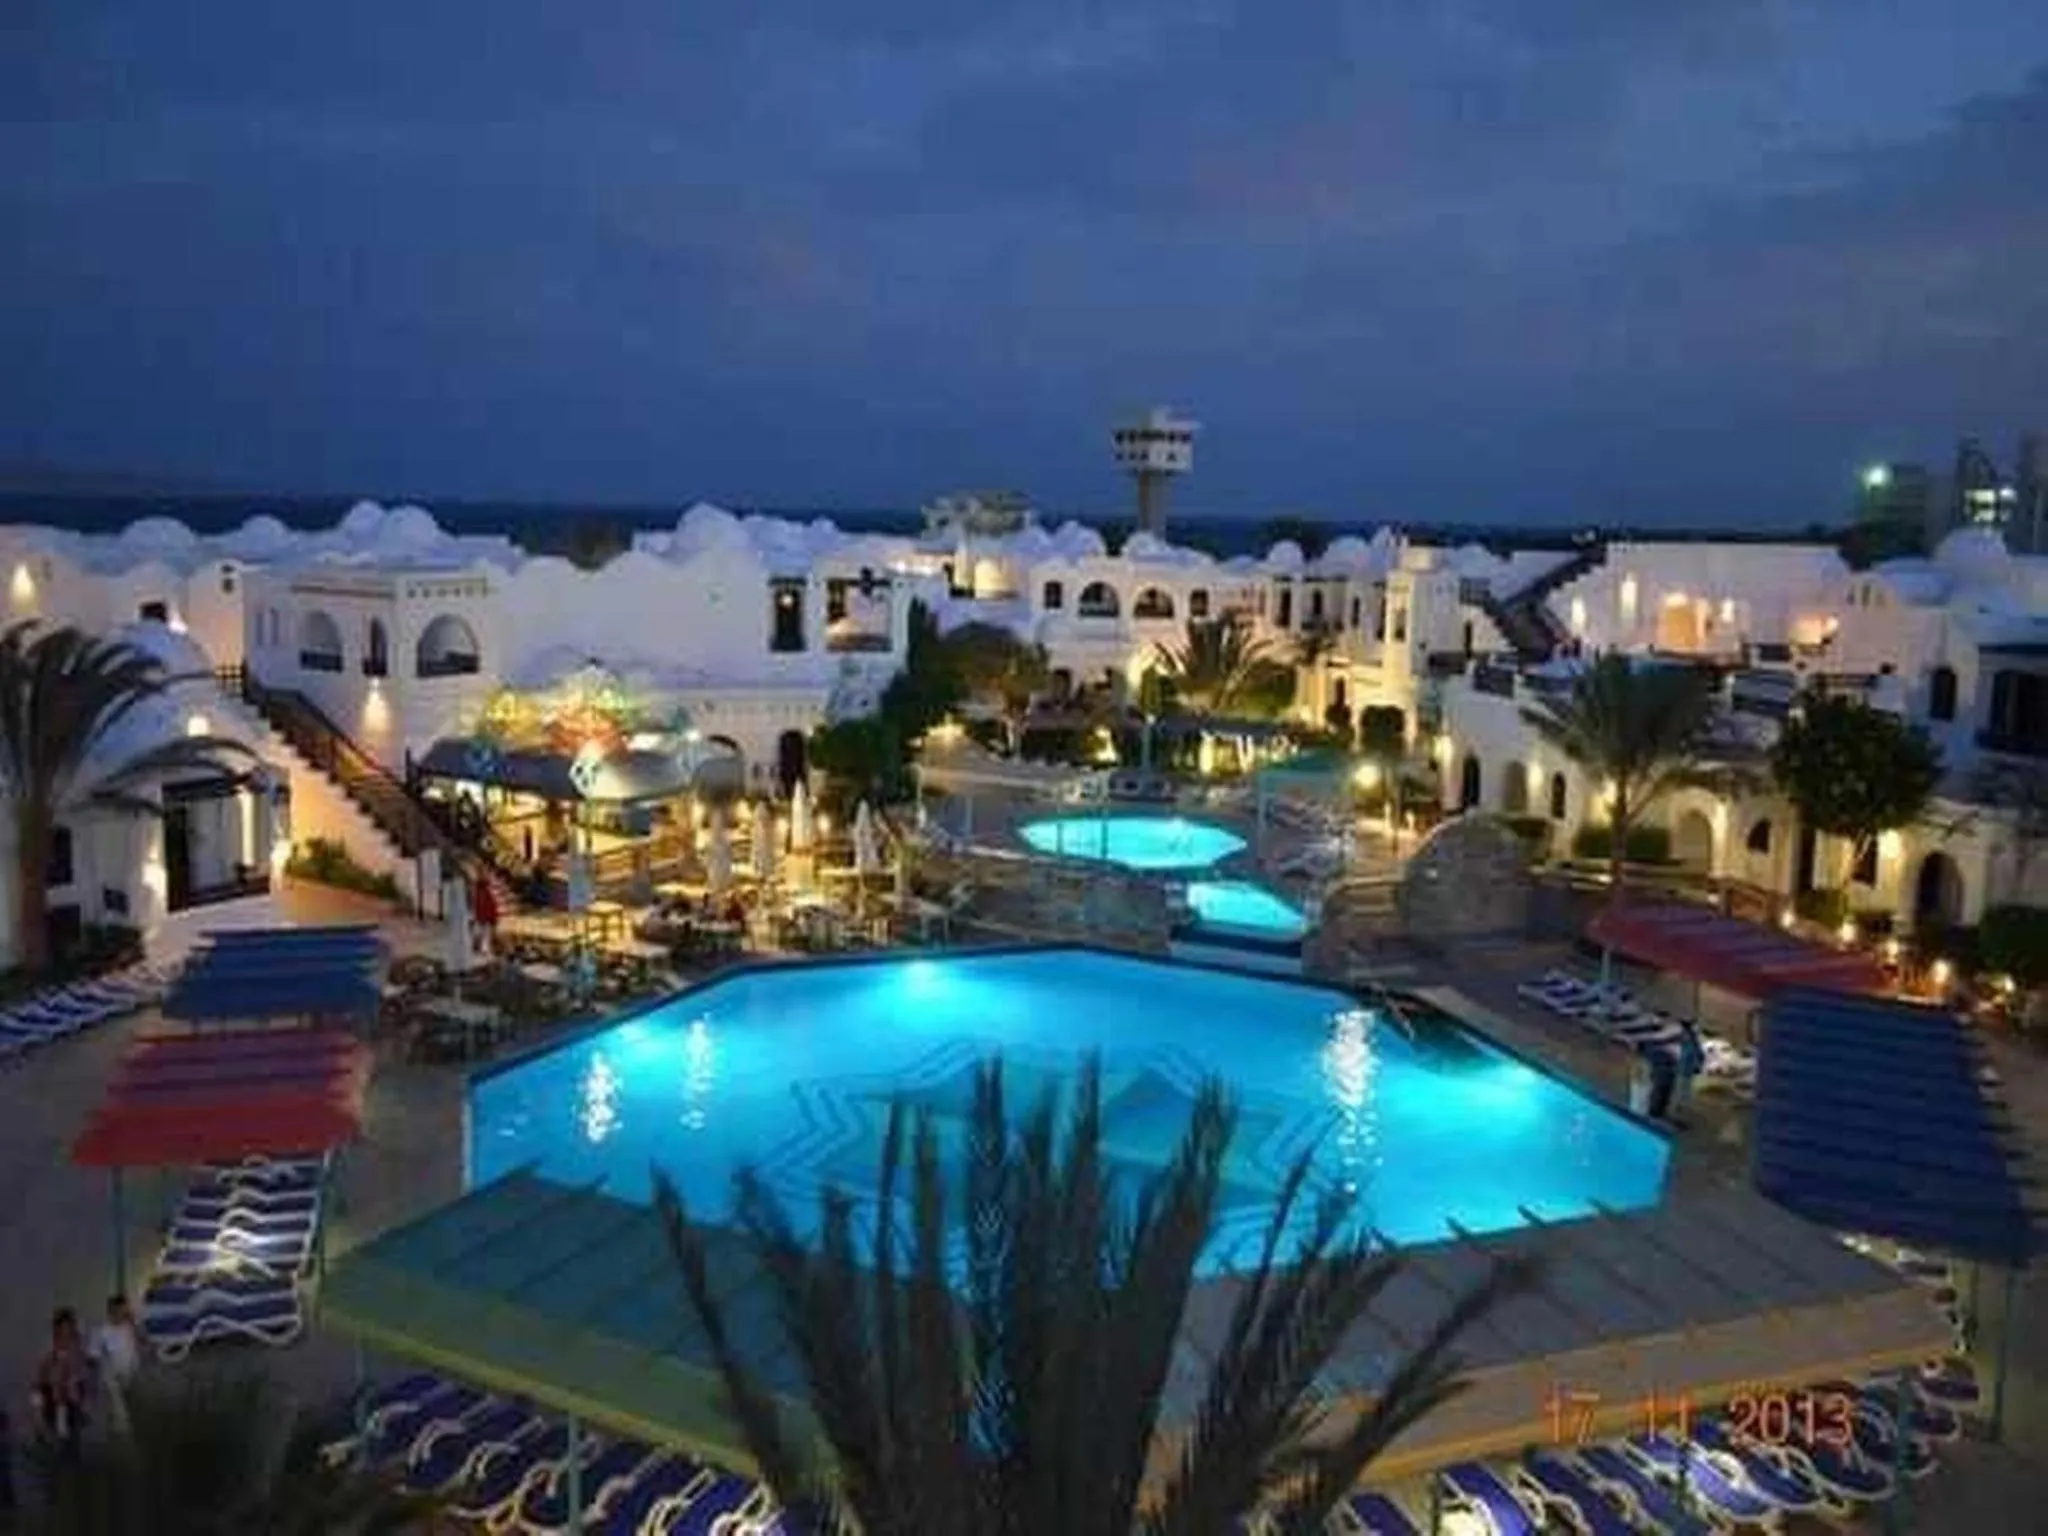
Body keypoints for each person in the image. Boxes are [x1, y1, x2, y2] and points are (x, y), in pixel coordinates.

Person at [32, 1310, 92, 1462]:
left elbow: (84, 1382)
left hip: (72, 1408)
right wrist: (38, 1416)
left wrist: (85, 1405)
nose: (67, 1334)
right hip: (54, 1408)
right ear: (56, 1331)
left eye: (70, 1329)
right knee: (58, 1449)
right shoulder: (48, 1355)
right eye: (63, 1329)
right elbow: (37, 1386)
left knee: (73, 1451)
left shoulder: (78, 1352)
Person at [88, 1294, 142, 1437]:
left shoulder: (129, 1327)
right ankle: (123, 1441)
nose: (122, 1314)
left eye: (125, 1311)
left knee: (128, 1407)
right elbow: (93, 1357)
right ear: (111, 1310)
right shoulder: (101, 1331)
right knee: (121, 1414)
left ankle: (118, 1429)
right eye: (120, 1310)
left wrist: (134, 1323)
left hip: (130, 1374)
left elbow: (143, 1341)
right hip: (112, 1377)